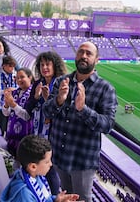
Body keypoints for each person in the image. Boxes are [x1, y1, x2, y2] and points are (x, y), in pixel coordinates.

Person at [42, 41, 118, 202]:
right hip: (59, 156)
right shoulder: (62, 81)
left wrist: (83, 109)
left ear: (97, 59)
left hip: (82, 161)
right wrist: (59, 100)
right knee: (66, 198)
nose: (83, 56)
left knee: (82, 199)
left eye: (88, 53)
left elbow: (107, 125)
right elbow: (46, 112)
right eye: (80, 52)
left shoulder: (105, 89)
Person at [25, 51, 67, 195]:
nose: (45, 67)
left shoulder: (61, 84)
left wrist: (49, 99)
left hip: (54, 135)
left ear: (55, 66)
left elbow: (63, 113)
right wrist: (36, 97)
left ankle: (54, 196)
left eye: (48, 64)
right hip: (37, 134)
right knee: (38, 169)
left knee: (50, 169)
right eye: (42, 64)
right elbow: (28, 109)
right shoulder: (38, 83)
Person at [0, 135, 80, 202]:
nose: (51, 164)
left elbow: (44, 198)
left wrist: (56, 199)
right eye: (47, 162)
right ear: (33, 167)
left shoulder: (35, 177)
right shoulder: (24, 195)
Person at [2, 67, 33, 157]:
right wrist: (6, 104)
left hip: (24, 138)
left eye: (22, 77)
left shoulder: (33, 94)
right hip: (11, 135)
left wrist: (13, 104)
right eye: (17, 77)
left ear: (30, 77)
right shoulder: (14, 92)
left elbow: (27, 116)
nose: (19, 80)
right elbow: (6, 113)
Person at [0, 55, 17, 135]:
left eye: (13, 66)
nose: (12, 68)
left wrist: (14, 89)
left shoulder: (15, 76)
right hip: (1, 106)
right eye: (10, 66)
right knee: (1, 128)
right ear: (4, 66)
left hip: (13, 107)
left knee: (10, 128)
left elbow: (19, 88)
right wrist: (3, 91)